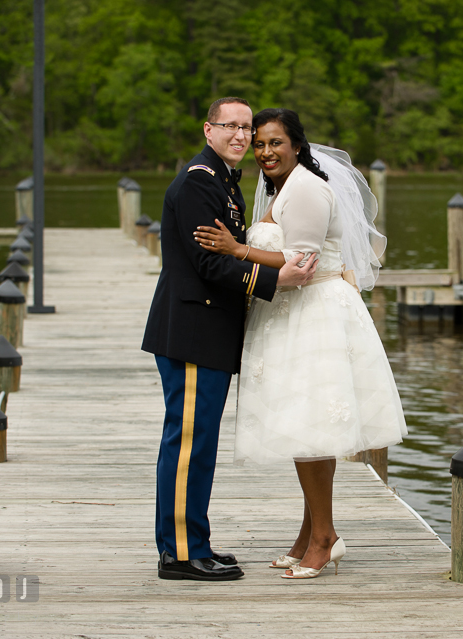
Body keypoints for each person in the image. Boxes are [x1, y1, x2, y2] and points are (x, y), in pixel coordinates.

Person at [194, 108, 407, 580]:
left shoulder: (308, 187)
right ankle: (311, 534)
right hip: (290, 313)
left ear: (296, 145)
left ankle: (325, 538)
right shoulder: (281, 187)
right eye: (260, 145)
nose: (266, 152)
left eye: (276, 143)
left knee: (312, 433)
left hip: (314, 313)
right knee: (307, 432)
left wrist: (237, 249)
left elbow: (302, 261)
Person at [141, 98, 318, 582]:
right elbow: (209, 264)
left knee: (197, 445)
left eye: (247, 128)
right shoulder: (201, 180)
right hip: (194, 332)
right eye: (231, 127)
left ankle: (193, 542)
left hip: (205, 333)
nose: (241, 136)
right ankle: (180, 554)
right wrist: (272, 282)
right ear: (208, 129)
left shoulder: (220, 179)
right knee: (189, 446)